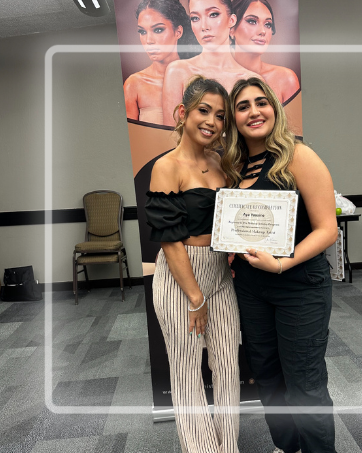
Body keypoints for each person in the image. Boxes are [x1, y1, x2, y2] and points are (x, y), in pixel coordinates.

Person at [222, 78, 338, 453]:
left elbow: (327, 230)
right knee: (268, 377)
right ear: (234, 118)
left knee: (304, 382)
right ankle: (289, 447)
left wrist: (281, 264)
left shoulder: (298, 156)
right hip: (251, 288)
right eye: (242, 106)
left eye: (261, 102)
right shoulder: (234, 166)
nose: (254, 112)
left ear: (274, 107)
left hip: (300, 286)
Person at [145, 76, 240, 453]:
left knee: (228, 366)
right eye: (204, 110)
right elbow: (170, 240)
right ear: (182, 113)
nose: (212, 121)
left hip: (219, 274)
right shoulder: (166, 166)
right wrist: (195, 297)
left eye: (220, 115)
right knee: (186, 372)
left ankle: (227, 447)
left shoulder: (220, 162)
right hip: (181, 279)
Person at [162, 0, 261, 126]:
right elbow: (169, 134)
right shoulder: (178, 71)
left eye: (213, 14)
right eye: (195, 18)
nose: (204, 26)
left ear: (232, 20)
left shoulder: (252, 79)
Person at [123, 0, 199, 125]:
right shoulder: (134, 85)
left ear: (178, 32)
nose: (149, 40)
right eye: (142, 32)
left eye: (158, 30)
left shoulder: (199, 78)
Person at [230, 0, 300, 104]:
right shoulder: (214, 79)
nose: (262, 31)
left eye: (268, 24)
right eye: (252, 21)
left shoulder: (286, 79)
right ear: (231, 28)